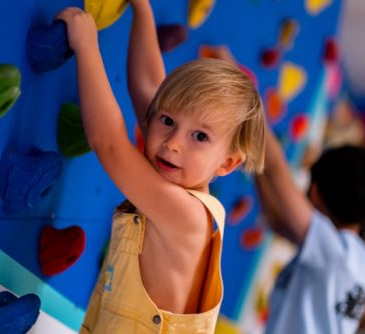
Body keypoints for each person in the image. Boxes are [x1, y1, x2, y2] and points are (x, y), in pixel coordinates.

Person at [56, 0, 266, 332]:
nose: (173, 143)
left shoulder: (189, 216)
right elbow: (148, 88)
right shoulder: (179, 175)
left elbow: (109, 145)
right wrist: (142, 11)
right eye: (168, 120)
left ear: (227, 163)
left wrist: (86, 45)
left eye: (199, 136)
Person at [255, 123, 365, 334]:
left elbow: (276, 168)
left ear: (315, 193)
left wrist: (250, 110)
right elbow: (278, 223)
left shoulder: (336, 253)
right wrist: (255, 163)